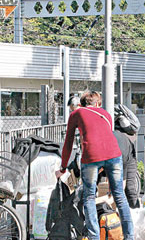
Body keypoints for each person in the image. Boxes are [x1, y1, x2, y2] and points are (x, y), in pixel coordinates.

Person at [55, 91, 134, 240]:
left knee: (89, 197)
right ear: (98, 103)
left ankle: (94, 237)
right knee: (119, 196)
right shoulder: (105, 114)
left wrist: (63, 168)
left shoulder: (76, 114)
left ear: (81, 104)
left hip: (91, 157)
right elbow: (105, 136)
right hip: (114, 155)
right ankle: (129, 236)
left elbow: (68, 143)